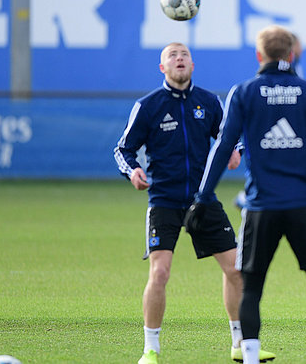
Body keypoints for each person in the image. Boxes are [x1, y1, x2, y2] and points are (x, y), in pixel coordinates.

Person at [184, 25, 306, 364]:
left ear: (259, 54)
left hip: (260, 206)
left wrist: (202, 197)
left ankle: (249, 358)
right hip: (305, 205)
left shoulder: (244, 92)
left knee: (251, 289)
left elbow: (223, 148)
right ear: (291, 54)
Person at [113, 43, 275, 364]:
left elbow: (232, 134)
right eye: (172, 56)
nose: (179, 59)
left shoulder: (208, 102)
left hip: (203, 199)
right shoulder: (148, 106)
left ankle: (239, 344)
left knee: (236, 270)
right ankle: (150, 350)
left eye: (184, 54)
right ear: (163, 68)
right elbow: (123, 149)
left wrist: (235, 151)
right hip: (164, 201)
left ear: (192, 63)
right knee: (160, 273)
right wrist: (133, 171)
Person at [233, 31, 304, 210]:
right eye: (298, 45)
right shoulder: (288, 69)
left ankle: (253, 193)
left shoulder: (293, 68)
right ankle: (251, 193)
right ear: (291, 51)